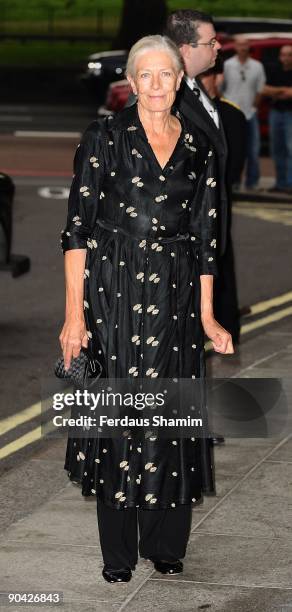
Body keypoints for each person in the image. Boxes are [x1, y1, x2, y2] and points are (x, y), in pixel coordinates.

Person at [59, 35, 233, 584]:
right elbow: (76, 234)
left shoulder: (199, 147)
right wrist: (73, 316)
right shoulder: (103, 138)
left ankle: (166, 542)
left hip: (177, 295)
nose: (157, 86)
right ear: (131, 84)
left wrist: (207, 316)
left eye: (167, 75)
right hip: (112, 289)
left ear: (181, 80)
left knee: (170, 414)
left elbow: (207, 238)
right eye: (146, 76)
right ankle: (118, 553)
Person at [165, 9, 228, 447]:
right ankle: (179, 427)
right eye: (211, 41)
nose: (217, 47)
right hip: (182, 242)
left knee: (192, 333)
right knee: (178, 334)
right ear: (186, 49)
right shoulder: (171, 99)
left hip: (203, 236)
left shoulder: (195, 91)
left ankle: (189, 423)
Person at [199, 56, 247, 344]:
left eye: (206, 77)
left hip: (218, 201)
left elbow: (233, 166)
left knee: (220, 262)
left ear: (217, 78)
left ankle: (227, 324)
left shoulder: (231, 114)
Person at [221, 35, 266, 190]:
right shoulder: (227, 65)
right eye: (240, 44)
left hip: (250, 113)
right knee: (233, 149)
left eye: (246, 44)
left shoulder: (257, 66)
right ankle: (234, 181)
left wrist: (254, 107)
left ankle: (252, 182)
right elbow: (221, 89)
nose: (243, 47)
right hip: (232, 116)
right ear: (235, 46)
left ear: (249, 47)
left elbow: (260, 90)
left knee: (253, 150)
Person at [262, 45, 292, 193]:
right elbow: (264, 89)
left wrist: (276, 92)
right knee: (277, 150)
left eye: (289, 55)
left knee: (290, 149)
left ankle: (290, 183)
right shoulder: (274, 70)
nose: (286, 58)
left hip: (290, 114)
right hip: (275, 113)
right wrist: (282, 91)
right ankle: (280, 183)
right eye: (283, 55)